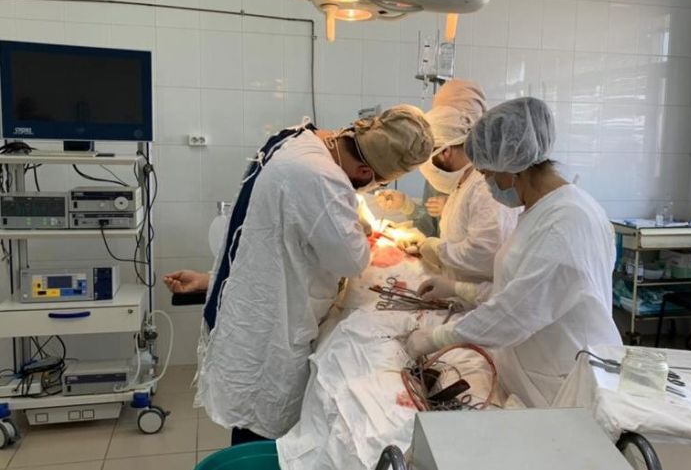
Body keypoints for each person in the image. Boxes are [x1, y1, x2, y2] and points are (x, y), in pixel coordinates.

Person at [165, 106, 433, 444]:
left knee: (252, 419)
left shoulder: (296, 139)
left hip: (252, 312)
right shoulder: (320, 177)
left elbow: (264, 241)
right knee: (260, 429)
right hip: (269, 334)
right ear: (365, 170)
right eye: (375, 182)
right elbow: (352, 261)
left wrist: (212, 281)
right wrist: (358, 226)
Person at [406, 97, 622, 407]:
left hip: (565, 387)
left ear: (511, 166)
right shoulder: (541, 211)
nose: (488, 184)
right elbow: (518, 291)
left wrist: (435, 338)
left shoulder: (566, 222)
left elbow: (515, 313)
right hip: (535, 374)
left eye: (487, 175)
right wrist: (457, 288)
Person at [378, 80, 519, 303]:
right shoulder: (461, 182)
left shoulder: (485, 186)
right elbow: (457, 238)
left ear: (445, 152)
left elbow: (484, 256)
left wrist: (435, 249)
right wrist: (427, 244)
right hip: (461, 296)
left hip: (480, 302)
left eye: (428, 155)